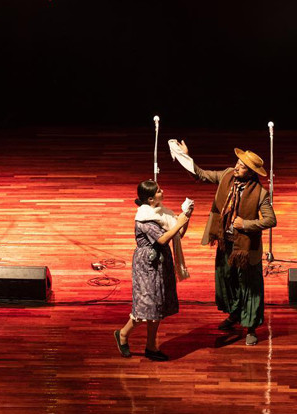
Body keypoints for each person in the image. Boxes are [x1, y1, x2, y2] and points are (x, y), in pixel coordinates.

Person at [173, 141, 275, 346]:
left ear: (251, 172)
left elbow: (270, 220)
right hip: (226, 243)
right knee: (228, 281)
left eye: (242, 166)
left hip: (245, 249)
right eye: (237, 162)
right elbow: (201, 174)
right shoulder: (227, 175)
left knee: (249, 287)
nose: (236, 167)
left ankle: (251, 327)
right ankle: (235, 315)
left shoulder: (260, 194)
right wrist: (185, 156)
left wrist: (245, 224)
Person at [114, 180, 190, 361]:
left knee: (157, 307)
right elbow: (163, 239)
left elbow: (177, 235)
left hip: (161, 262)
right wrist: (179, 222)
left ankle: (150, 346)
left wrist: (185, 216)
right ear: (150, 198)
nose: (162, 191)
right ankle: (123, 334)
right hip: (147, 266)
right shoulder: (144, 217)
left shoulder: (160, 212)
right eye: (158, 191)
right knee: (146, 306)